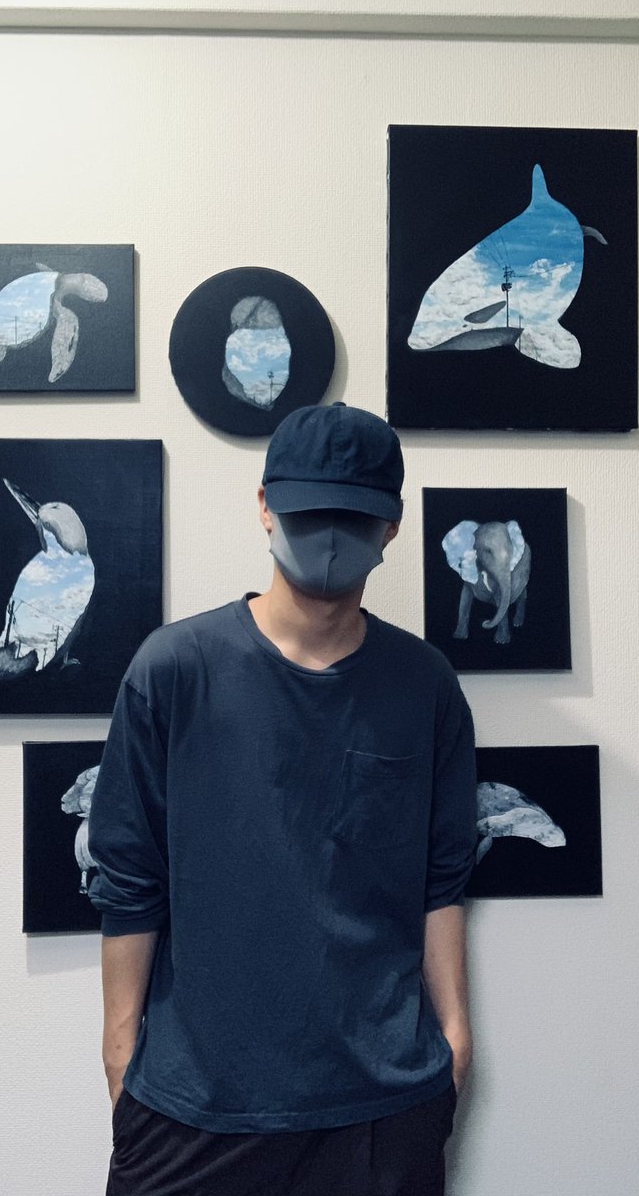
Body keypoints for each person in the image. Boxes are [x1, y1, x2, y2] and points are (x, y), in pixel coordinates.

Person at [88, 401, 478, 1196]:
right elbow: (127, 875)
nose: (329, 538)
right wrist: (121, 1053)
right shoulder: (174, 670)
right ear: (265, 505)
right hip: (194, 1106)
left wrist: (455, 1037)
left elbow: (441, 878)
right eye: (308, 512)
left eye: (353, 517)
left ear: (392, 525)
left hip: (380, 1104)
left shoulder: (424, 684)